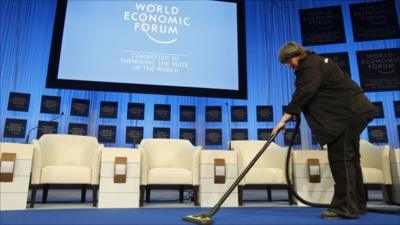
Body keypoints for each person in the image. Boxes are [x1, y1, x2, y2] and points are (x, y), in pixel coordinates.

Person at [272, 42, 376, 219]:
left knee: (341, 160)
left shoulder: (309, 66)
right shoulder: (317, 62)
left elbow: (305, 91)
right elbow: (312, 93)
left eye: (288, 61)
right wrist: (297, 111)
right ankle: (357, 204)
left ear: (295, 56)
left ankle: (345, 207)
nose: (289, 66)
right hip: (355, 112)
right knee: (350, 160)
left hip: (346, 116)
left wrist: (285, 117)